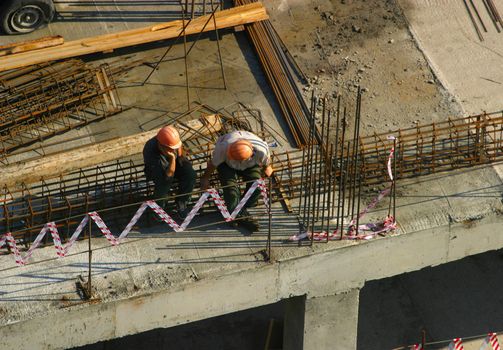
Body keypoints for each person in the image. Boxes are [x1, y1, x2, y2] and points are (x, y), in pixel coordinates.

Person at [200, 130, 273, 232]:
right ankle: (236, 212)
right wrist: (205, 178)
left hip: (249, 165)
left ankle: (242, 207)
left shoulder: (261, 150)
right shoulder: (223, 148)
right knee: (231, 190)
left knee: (258, 185)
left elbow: (267, 165)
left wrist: (267, 170)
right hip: (227, 165)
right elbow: (212, 164)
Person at [143, 125, 196, 219]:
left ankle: (182, 202)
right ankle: (158, 208)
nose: (173, 150)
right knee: (164, 184)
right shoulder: (151, 151)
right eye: (171, 148)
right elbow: (168, 176)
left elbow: (179, 148)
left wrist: (180, 157)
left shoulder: (171, 138)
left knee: (190, 174)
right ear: (161, 146)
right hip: (159, 171)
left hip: (173, 163)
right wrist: (172, 158)